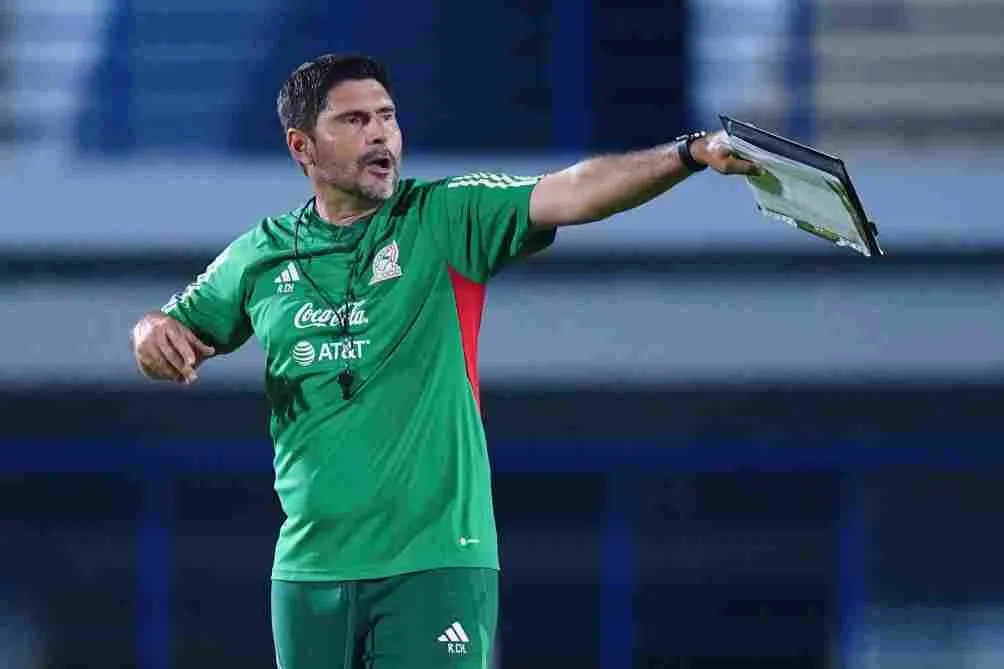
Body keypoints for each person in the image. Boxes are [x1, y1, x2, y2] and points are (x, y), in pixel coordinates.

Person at [129, 53, 759, 669]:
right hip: (307, 571)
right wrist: (149, 335)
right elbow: (169, 324)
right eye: (354, 121)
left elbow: (572, 192)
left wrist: (687, 154)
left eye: (387, 116)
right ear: (302, 148)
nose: (380, 133)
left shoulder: (445, 217)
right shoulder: (260, 255)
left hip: (433, 564)